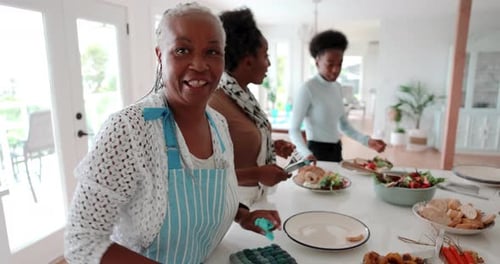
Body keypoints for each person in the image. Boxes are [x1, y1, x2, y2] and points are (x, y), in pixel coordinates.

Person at [64, 3, 281, 264]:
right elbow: (81, 241)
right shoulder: (129, 130)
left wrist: (244, 216)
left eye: (212, 51)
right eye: (182, 50)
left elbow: (213, 193)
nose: (199, 65)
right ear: (160, 56)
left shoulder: (219, 125)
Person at [208, 8, 295, 207]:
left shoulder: (241, 96)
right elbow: (205, 175)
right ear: (248, 61)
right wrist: (257, 174)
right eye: (265, 56)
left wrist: (270, 145)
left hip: (254, 200)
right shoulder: (215, 102)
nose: (269, 63)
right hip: (231, 207)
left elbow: (236, 145)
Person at [289, 29, 386, 162]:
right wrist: (305, 153)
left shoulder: (337, 87)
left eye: (339, 64)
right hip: (315, 153)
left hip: (336, 150)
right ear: (317, 61)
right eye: (330, 64)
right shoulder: (308, 89)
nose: (336, 69)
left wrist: (368, 141)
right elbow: (294, 130)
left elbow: (344, 126)